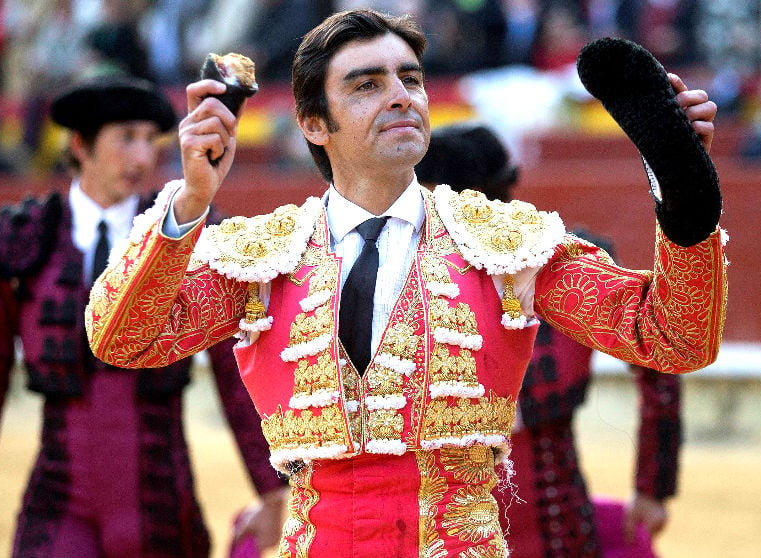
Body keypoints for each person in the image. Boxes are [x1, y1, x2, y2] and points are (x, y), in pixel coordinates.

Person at [86, 9, 727, 557]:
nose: (401, 95)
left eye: (411, 79)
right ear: (313, 122)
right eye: (367, 84)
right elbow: (125, 340)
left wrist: (682, 199)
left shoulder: (507, 245)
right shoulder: (263, 258)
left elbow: (672, 339)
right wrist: (191, 202)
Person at [0, 75, 287, 558]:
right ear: (80, 146)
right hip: (58, 502)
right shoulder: (23, 239)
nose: (142, 158)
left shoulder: (191, 235)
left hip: (161, 500)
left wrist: (273, 488)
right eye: (125, 138)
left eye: (149, 140)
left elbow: (235, 370)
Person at [415, 122, 681, 558]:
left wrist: (654, 488)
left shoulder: (553, 268)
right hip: (542, 520)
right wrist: (652, 489)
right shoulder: (556, 268)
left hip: (539, 526)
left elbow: (657, 357)